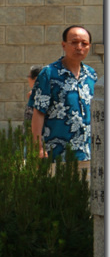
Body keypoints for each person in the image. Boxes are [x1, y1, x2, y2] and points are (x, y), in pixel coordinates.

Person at [31, 25, 97, 170]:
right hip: (57, 153)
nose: (79, 47)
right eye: (74, 42)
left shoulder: (91, 75)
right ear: (64, 45)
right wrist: (37, 147)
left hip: (87, 152)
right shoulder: (49, 73)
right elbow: (39, 111)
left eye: (84, 43)